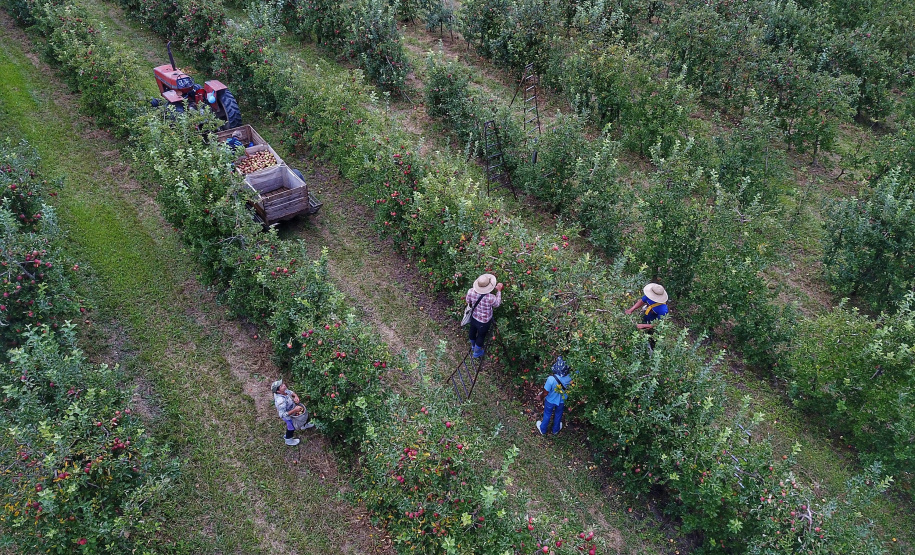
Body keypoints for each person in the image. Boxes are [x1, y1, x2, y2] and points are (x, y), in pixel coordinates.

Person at [465, 273, 503, 358]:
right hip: (484, 321)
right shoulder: (491, 297)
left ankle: (473, 346)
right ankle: (477, 352)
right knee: (481, 336)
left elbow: (468, 301)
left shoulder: (471, 291)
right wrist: (499, 291)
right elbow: (497, 304)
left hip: (474, 317)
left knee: (472, 331)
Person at [536, 356, 572, 435]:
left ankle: (543, 429)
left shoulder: (551, 379)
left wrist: (540, 397)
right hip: (562, 400)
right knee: (558, 414)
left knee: (547, 414)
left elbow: (545, 393)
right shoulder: (570, 376)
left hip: (550, 400)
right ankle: (555, 430)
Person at [272, 379, 311, 446]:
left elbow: (291, 392)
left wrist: (296, 396)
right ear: (278, 391)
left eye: (283, 384)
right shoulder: (280, 401)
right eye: (281, 386)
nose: (284, 385)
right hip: (287, 415)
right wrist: (294, 410)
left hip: (292, 408)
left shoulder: (284, 390)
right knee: (291, 427)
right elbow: (282, 415)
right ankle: (288, 440)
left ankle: (304, 425)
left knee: (303, 416)